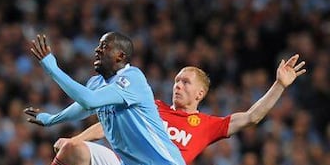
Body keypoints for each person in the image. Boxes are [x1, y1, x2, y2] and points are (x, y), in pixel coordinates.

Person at [25, 54, 306, 164]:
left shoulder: (208, 125)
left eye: (185, 82)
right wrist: (76, 139)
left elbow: (252, 117)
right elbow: (106, 124)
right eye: (176, 80)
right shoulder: (152, 108)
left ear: (200, 93)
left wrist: (279, 85)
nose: (177, 85)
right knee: (72, 151)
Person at [28, 33, 186, 165]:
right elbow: (82, 108)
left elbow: (89, 100)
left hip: (164, 163)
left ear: (120, 56)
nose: (97, 50)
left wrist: (52, 69)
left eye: (104, 46)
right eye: (98, 45)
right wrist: (51, 120)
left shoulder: (133, 78)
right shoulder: (96, 83)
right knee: (69, 147)